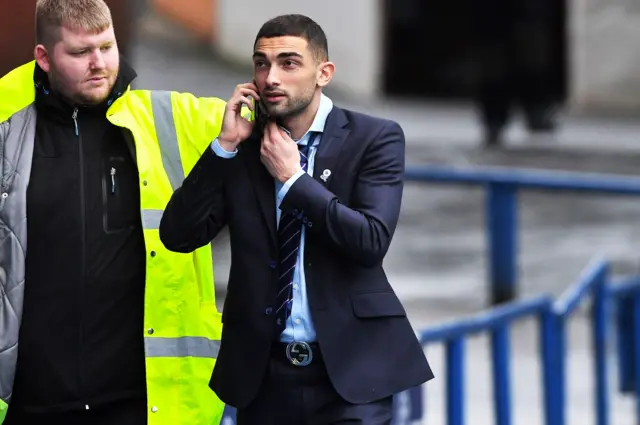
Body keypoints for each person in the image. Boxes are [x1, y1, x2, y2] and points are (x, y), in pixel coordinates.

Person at [159, 14, 434, 425]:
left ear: (323, 73)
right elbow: (179, 235)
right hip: (263, 378)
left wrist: (293, 179)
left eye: (288, 63)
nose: (271, 77)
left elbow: (371, 241)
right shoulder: (243, 147)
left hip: (350, 377)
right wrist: (224, 144)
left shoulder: (374, 138)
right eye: (261, 63)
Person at [0, 0, 227, 424]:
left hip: (139, 402)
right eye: (80, 52)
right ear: (44, 58)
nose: (99, 64)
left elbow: (271, 118)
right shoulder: (6, 123)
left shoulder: (169, 119)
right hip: (28, 401)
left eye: (106, 46)